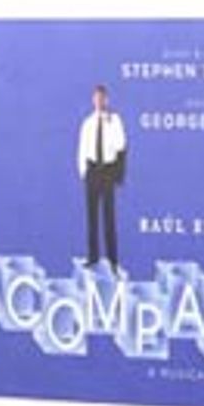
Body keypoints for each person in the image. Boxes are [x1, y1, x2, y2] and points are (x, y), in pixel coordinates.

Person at [76, 84, 126, 268]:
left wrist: (110, 123)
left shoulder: (115, 120)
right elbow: (82, 148)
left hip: (107, 171)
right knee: (92, 217)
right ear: (93, 100)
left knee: (109, 216)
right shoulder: (87, 123)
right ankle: (93, 257)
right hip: (92, 171)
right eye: (97, 98)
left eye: (102, 98)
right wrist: (83, 171)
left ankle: (112, 260)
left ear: (107, 99)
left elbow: (121, 145)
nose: (99, 101)